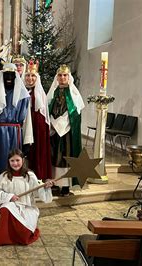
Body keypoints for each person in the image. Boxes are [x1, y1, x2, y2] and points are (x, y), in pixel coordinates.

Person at [0, 63, 33, 193]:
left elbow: (27, 120)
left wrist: (27, 141)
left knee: (14, 165)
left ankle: (14, 194)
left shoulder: (23, 96)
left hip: (15, 134)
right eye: (6, 75)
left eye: (11, 75)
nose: (9, 78)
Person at [0, 149, 53, 246]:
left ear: (23, 160)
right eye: (12, 161)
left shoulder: (30, 176)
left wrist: (45, 186)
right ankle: (5, 238)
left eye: (17, 160)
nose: (15, 163)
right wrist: (10, 196)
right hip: (11, 206)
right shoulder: (4, 176)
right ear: (8, 161)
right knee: (5, 209)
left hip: (27, 207)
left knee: (24, 235)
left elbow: (38, 191)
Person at [47, 65, 84, 196]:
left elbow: (75, 113)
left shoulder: (73, 94)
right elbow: (47, 109)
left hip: (67, 132)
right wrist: (52, 123)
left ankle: (65, 186)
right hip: (53, 132)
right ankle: (55, 183)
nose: (62, 78)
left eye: (65, 75)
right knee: (53, 156)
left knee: (66, 157)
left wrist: (61, 124)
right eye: (60, 75)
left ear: (69, 77)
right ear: (56, 77)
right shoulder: (53, 92)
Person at [24, 60, 52, 181]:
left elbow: (44, 112)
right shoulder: (21, 91)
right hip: (24, 125)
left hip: (37, 126)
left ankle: (39, 175)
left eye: (33, 76)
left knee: (38, 150)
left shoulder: (41, 93)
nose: (30, 78)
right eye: (28, 75)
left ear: (37, 78)